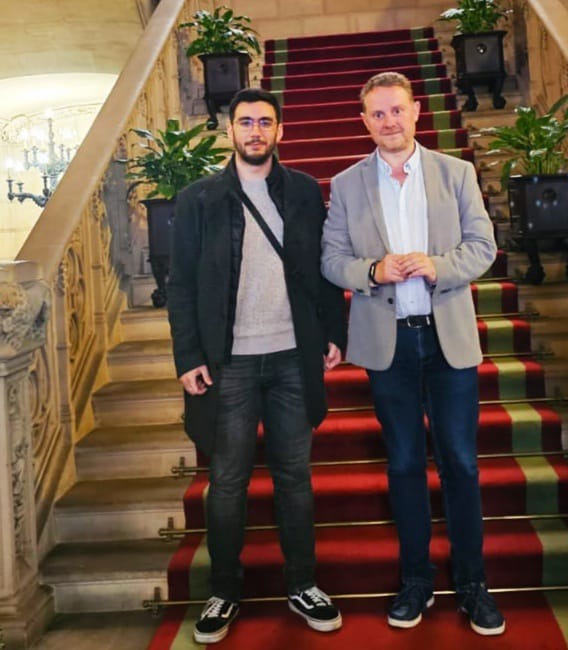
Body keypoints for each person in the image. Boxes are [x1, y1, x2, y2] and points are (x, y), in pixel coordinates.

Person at [321, 72, 505, 636]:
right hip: (389, 343)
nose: (389, 122)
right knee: (403, 465)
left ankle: (473, 585)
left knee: (461, 463)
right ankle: (416, 581)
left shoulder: (456, 172)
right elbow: (331, 258)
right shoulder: (347, 184)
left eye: (396, 110)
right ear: (364, 121)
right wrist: (373, 271)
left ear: (416, 111)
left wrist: (438, 266)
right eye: (377, 114)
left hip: (448, 337)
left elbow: (484, 245)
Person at [167, 87, 346, 644]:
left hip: (293, 356)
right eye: (245, 122)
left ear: (279, 130)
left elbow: (322, 268)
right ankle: (224, 590)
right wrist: (188, 356)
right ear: (230, 131)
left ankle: (303, 584)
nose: (255, 131)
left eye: (265, 122)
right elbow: (181, 284)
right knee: (227, 481)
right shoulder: (198, 199)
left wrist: (333, 333)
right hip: (230, 364)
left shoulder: (303, 191)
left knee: (295, 478)